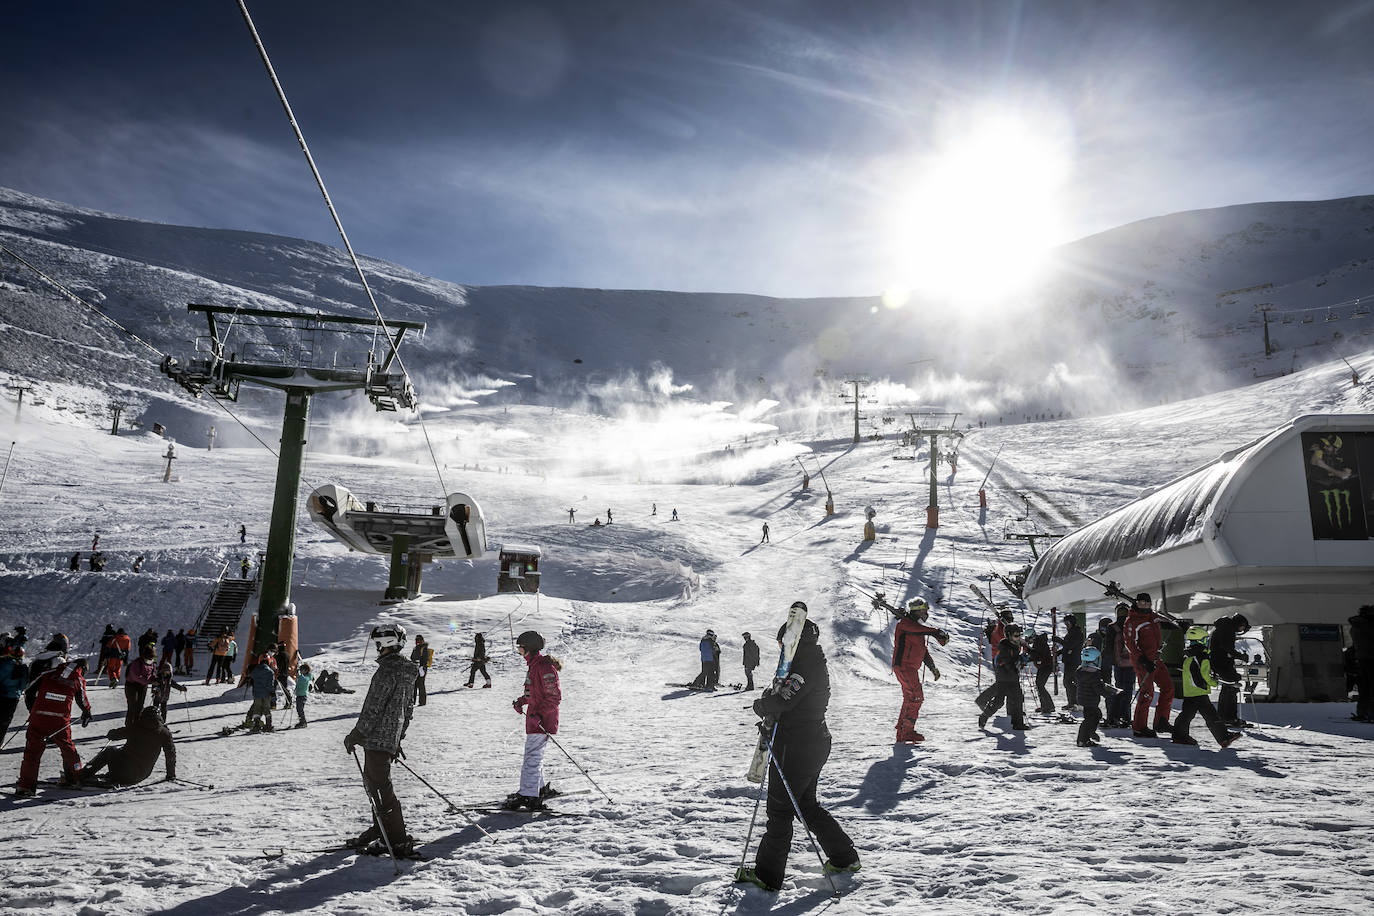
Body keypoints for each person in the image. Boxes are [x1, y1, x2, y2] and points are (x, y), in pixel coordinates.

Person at [737, 613, 859, 892]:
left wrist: (763, 706)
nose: (781, 648)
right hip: (810, 741)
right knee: (805, 805)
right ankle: (844, 858)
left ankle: (767, 876)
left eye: (784, 643)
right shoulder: (810, 661)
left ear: (795, 640)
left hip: (798, 746)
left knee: (780, 811)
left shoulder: (806, 666)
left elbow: (784, 701)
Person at [344, 624, 419, 856]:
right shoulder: (407, 670)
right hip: (388, 738)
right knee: (375, 785)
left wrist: (357, 733)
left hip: (376, 737)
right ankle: (381, 829)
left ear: (384, 644)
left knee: (379, 787)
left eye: (378, 644)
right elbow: (407, 709)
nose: (376, 648)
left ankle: (395, 840)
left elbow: (374, 706)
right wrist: (398, 738)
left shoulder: (387, 670)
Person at [14, 657, 92, 796]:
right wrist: (87, 713)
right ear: (83, 668)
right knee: (68, 749)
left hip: (38, 717)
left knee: (32, 752)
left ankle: (25, 786)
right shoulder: (78, 678)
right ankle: (77, 777)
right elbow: (83, 701)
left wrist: (33, 709)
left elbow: (29, 690)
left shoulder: (49, 673)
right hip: (60, 721)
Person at [504, 630, 562, 811]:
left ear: (529, 649)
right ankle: (539, 788)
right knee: (534, 755)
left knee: (532, 757)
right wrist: (521, 702)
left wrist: (539, 716)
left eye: (521, 649)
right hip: (535, 719)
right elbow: (533, 694)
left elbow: (554, 698)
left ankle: (529, 795)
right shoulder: (535, 666)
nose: (519, 653)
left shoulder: (544, 667)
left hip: (541, 722)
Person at [891, 598, 949, 743]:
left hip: (910, 668)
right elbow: (916, 630)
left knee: (910, 698)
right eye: (924, 611)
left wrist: (932, 667)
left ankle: (902, 731)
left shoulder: (916, 627)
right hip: (904, 667)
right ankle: (906, 732)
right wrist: (935, 632)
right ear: (917, 611)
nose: (926, 614)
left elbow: (922, 651)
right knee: (916, 697)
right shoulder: (905, 625)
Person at [1173, 628, 1242, 748]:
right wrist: (1214, 683)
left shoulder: (1188, 655)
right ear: (1200, 640)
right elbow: (1205, 675)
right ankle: (1222, 737)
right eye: (1205, 639)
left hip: (1191, 690)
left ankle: (1223, 737)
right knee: (1202, 716)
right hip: (1199, 690)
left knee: (1192, 715)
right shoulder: (1202, 656)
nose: (1206, 642)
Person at [82, 705, 176, 786]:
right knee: (119, 753)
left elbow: (114, 735)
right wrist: (171, 775)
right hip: (142, 775)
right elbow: (170, 755)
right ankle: (115, 775)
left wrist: (111, 734)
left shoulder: (137, 727)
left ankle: (84, 774)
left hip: (125, 772)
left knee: (109, 751)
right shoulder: (165, 733)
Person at [1125, 592, 1174, 738]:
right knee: (1147, 693)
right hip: (1143, 662)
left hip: (1156, 659)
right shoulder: (1132, 621)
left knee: (1168, 687)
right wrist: (1143, 660)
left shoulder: (1153, 616)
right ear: (1136, 603)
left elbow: (1165, 620)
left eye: (1147, 602)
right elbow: (1130, 644)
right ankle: (1139, 727)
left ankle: (1161, 721)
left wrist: (1178, 625)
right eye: (1141, 602)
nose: (1144, 604)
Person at [978, 623, 1030, 730]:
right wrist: (1018, 662)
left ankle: (1017, 723)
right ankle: (984, 716)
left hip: (1013, 677)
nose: (1018, 638)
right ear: (1009, 635)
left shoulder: (1015, 646)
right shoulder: (1004, 647)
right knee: (998, 701)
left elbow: (1015, 661)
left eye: (1019, 636)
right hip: (1004, 678)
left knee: (1018, 699)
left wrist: (1023, 660)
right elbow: (1008, 663)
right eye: (1016, 636)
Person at [1208, 613, 1251, 725]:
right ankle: (1229, 717)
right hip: (1222, 663)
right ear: (1239, 624)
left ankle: (1224, 716)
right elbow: (1227, 648)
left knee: (1228, 687)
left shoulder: (1224, 627)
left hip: (1220, 662)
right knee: (1231, 687)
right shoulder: (1228, 629)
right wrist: (1240, 656)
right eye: (1242, 627)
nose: (1241, 630)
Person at [1074, 646, 1120, 747]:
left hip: (1085, 699)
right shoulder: (1094, 675)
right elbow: (1099, 689)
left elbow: (1098, 685)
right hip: (1090, 701)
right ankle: (1082, 740)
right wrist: (1110, 693)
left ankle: (1090, 732)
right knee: (1089, 719)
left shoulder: (1081, 671)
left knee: (1097, 715)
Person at [1107, 604, 1135, 727]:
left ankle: (1115, 716)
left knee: (1118, 689)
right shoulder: (1132, 625)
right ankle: (1126, 717)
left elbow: (1108, 647)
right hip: (1131, 663)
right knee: (1128, 690)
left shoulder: (1112, 627)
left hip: (1118, 664)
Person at [24, 634, 70, 710]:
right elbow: (64, 682)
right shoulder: (59, 660)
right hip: (49, 700)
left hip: (30, 697)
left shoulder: (36, 660)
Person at [239, 652, 278, 732]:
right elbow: (270, 685)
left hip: (257, 694)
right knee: (267, 709)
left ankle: (256, 725)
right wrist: (272, 693)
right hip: (266, 694)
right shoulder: (270, 672)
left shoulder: (255, 670)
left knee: (257, 709)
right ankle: (268, 725)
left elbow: (251, 676)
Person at [1349, 605, 1374, 722]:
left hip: (1362, 658)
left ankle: (1363, 712)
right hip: (1371, 657)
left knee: (1365, 687)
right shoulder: (1367, 626)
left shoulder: (1356, 625)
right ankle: (1370, 713)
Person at [124, 644, 157, 728]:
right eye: (149, 658)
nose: (150, 660)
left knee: (140, 706)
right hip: (132, 685)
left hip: (143, 686)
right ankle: (129, 725)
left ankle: (137, 724)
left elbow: (153, 674)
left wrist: (155, 680)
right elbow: (136, 677)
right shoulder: (136, 663)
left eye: (152, 658)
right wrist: (149, 681)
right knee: (132, 705)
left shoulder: (152, 664)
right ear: (144, 656)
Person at [0, 637, 28, 738]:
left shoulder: (3, 663)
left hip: (2, 694)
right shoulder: (23, 668)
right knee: (5, 721)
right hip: (12, 697)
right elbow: (23, 684)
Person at [1059, 613, 1084, 709]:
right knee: (1069, 682)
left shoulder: (1077, 633)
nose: (1066, 625)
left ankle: (1075, 702)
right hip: (1069, 660)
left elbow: (1070, 645)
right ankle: (1072, 702)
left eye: (1068, 622)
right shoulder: (1071, 632)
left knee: (1070, 682)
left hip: (1074, 661)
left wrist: (1059, 641)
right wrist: (1059, 652)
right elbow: (1067, 647)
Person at [1029, 630, 1055, 715]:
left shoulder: (1040, 643)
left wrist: (1029, 652)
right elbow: (1036, 655)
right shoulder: (1038, 642)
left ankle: (1049, 706)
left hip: (1046, 666)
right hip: (1042, 666)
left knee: (1040, 685)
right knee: (1039, 684)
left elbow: (1038, 655)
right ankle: (1044, 705)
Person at [410, 635, 433, 706]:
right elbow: (412, 657)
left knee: (421, 684)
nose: (417, 641)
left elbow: (425, 659)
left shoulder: (424, 648)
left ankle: (422, 702)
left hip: (421, 668)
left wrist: (421, 667)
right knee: (414, 685)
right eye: (416, 640)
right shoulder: (415, 648)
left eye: (419, 640)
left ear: (422, 640)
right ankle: (412, 701)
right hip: (415, 667)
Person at [293, 662, 314, 727]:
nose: (301, 671)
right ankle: (301, 721)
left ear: (306, 670)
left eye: (302, 670)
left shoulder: (307, 677)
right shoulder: (303, 676)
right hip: (299, 694)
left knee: (300, 709)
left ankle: (303, 722)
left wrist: (300, 675)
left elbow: (303, 680)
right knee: (298, 709)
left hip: (302, 695)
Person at [274, 642, 293, 709]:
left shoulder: (278, 655)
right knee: (285, 689)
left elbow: (278, 665)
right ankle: (289, 702)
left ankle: (273, 704)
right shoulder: (287, 654)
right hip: (285, 674)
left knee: (273, 688)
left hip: (278, 674)